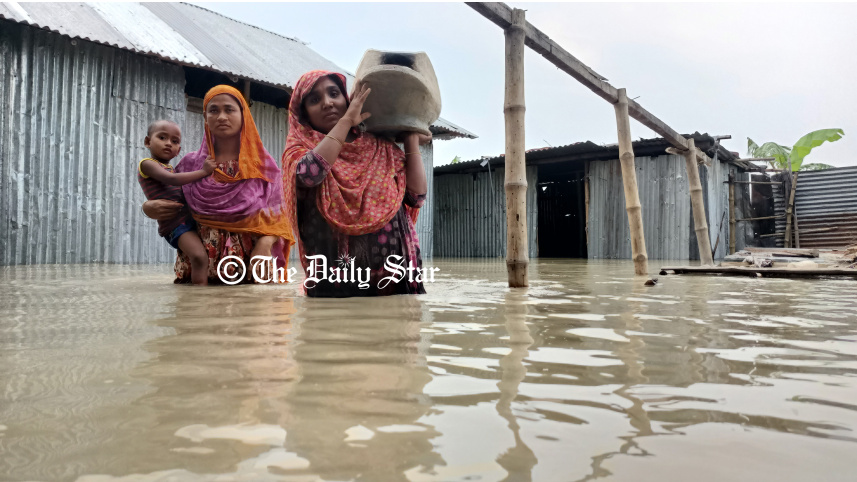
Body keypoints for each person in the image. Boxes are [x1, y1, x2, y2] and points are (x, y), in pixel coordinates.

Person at [282, 70, 431, 297]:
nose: (327, 103)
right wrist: (346, 122)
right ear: (304, 114)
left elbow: (417, 197)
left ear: (347, 99)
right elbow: (310, 174)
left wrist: (411, 138)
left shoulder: (382, 148)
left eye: (334, 94)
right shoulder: (299, 150)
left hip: (394, 280)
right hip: (334, 280)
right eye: (315, 99)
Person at [142, 85, 294, 284]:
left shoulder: (262, 167)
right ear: (205, 117)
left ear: (243, 114)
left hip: (250, 269)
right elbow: (171, 202)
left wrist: (266, 243)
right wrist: (147, 208)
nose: (221, 116)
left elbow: (281, 215)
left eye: (229, 109)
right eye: (214, 110)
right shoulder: (190, 165)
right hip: (202, 273)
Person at [138, 120, 216, 285]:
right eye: (162, 137)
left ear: (178, 150)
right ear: (147, 142)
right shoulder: (147, 165)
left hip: (185, 222)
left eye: (174, 141)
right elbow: (172, 180)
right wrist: (204, 171)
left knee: (201, 257)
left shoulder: (173, 169)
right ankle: (199, 297)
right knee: (199, 257)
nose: (168, 144)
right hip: (175, 225)